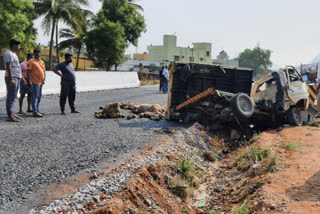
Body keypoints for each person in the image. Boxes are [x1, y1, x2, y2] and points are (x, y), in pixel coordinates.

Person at [3, 39, 27, 122]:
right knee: (10, 96)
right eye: (18, 45)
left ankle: (12, 113)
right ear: (14, 45)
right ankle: (10, 115)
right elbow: (8, 67)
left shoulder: (14, 54)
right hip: (12, 77)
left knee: (14, 96)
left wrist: (22, 78)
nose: (19, 47)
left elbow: (17, 67)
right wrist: (12, 79)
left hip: (17, 77)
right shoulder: (8, 53)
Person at [27, 49, 46, 117]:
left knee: (39, 97)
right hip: (35, 82)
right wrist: (29, 81)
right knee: (34, 97)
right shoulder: (31, 61)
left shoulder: (42, 62)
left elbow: (43, 71)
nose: (38, 55)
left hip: (41, 82)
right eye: (37, 54)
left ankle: (37, 110)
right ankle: (35, 112)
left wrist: (44, 79)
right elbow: (28, 71)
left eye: (39, 54)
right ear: (34, 54)